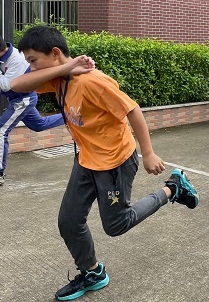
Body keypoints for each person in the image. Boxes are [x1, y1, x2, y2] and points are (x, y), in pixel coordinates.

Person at [11, 25, 198, 301]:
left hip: (114, 163)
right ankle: (92, 272)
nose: (32, 67)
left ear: (54, 52)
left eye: (34, 60)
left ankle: (173, 188)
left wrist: (148, 153)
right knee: (69, 222)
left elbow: (132, 109)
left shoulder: (92, 82)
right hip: (86, 159)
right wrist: (67, 67)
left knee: (117, 225)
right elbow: (16, 86)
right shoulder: (59, 79)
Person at [0, 37, 65, 186]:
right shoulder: (4, 57)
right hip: (20, 99)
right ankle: (68, 116)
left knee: (1, 130)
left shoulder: (16, 59)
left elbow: (6, 85)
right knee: (39, 125)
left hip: (23, 100)